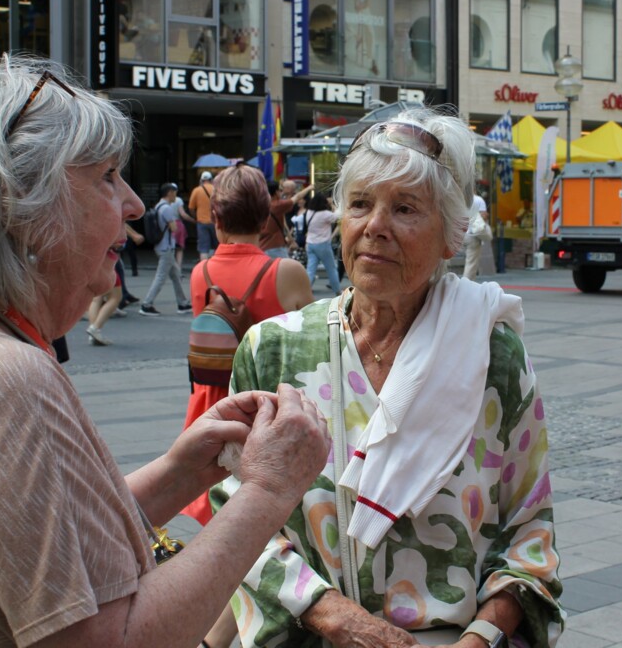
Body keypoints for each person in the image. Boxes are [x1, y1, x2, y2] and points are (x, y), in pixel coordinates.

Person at [0, 56, 331, 647]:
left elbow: (44, 553)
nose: (132, 203)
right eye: (106, 176)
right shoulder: (3, 378)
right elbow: (112, 637)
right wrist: (269, 491)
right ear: (19, 201)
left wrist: (180, 472)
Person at [212, 110, 564, 648]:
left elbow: (529, 535)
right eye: (359, 204)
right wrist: (334, 617)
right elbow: (237, 517)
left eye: (404, 208)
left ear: (451, 236)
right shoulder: (273, 350)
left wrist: (479, 639)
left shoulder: (493, 356)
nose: (375, 225)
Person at [183, 162, 315, 524]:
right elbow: (311, 340)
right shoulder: (286, 273)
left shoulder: (201, 274)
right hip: (271, 407)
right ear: (264, 220)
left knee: (223, 516)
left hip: (215, 403)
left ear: (218, 221)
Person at [141, 182, 192, 316]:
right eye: (175, 192)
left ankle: (183, 303)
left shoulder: (158, 206)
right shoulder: (167, 209)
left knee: (175, 275)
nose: (176, 195)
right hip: (166, 248)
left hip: (161, 246)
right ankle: (147, 304)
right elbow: (174, 228)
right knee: (161, 277)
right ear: (169, 192)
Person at [302, 190, 342, 295]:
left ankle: (305, 290)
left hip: (310, 244)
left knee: (310, 269)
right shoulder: (325, 214)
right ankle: (337, 290)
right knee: (331, 269)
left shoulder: (309, 213)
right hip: (323, 244)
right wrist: (333, 205)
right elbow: (338, 216)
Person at [261, 178, 312, 260]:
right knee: (283, 270)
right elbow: (297, 197)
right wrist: (309, 188)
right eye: (280, 190)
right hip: (275, 247)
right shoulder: (277, 205)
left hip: (262, 246)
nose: (282, 192)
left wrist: (291, 240)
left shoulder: (261, 205)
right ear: (276, 192)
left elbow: (284, 226)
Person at [463, 185, 495, 280]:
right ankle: (467, 284)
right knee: (471, 263)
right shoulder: (478, 200)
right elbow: (483, 216)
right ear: (474, 190)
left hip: (462, 233)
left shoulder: (461, 200)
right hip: (473, 234)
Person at [190, 170, 218, 260]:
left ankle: (203, 269)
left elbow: (191, 208)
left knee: (203, 248)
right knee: (217, 247)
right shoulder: (216, 189)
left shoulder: (196, 190)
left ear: (201, 180)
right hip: (215, 221)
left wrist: (195, 217)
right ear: (211, 179)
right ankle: (216, 267)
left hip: (201, 222)